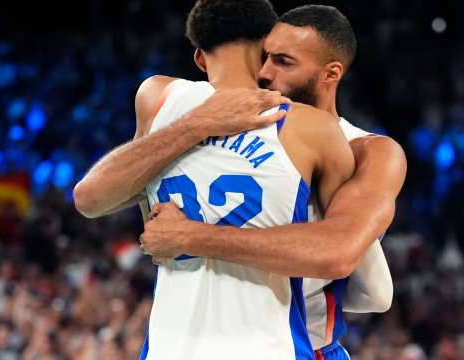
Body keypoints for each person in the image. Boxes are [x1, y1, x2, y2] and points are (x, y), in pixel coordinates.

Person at [77, 0, 358, 358]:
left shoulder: (159, 98)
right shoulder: (313, 127)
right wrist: (204, 121)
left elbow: (88, 199)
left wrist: (195, 125)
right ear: (267, 49)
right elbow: (345, 261)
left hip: (169, 348)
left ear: (199, 58)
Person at [140, 5, 407, 359]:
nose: (264, 72)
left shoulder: (369, 151)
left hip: (298, 345)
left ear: (330, 74)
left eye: (283, 62)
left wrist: (190, 237)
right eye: (264, 56)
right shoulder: (225, 116)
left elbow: (355, 270)